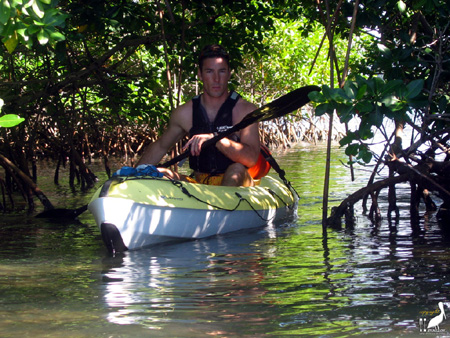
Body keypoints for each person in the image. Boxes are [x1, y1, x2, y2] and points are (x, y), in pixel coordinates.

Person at [137, 44, 261, 187]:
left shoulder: (246, 110)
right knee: (158, 172)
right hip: (200, 183)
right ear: (200, 74)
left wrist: (216, 139)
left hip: (239, 181)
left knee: (236, 169)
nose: (216, 79)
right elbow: (160, 146)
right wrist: (133, 174)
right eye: (209, 71)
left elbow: (251, 159)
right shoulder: (184, 113)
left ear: (229, 74)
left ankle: (221, 208)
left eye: (221, 71)